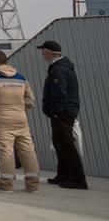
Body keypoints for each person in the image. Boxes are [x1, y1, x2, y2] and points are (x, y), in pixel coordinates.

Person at [0, 49, 39, 193]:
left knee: (6, 151)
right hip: (20, 118)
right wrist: (19, 109)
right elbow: (30, 100)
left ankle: (6, 185)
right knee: (27, 150)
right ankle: (33, 185)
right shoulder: (21, 78)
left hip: (1, 120)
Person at [39, 40, 86, 189]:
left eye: (43, 51)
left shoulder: (58, 69)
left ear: (50, 53)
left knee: (66, 145)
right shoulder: (60, 67)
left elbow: (59, 92)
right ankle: (63, 175)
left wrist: (56, 111)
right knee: (59, 144)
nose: (42, 54)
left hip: (62, 112)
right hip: (63, 111)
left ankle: (78, 180)